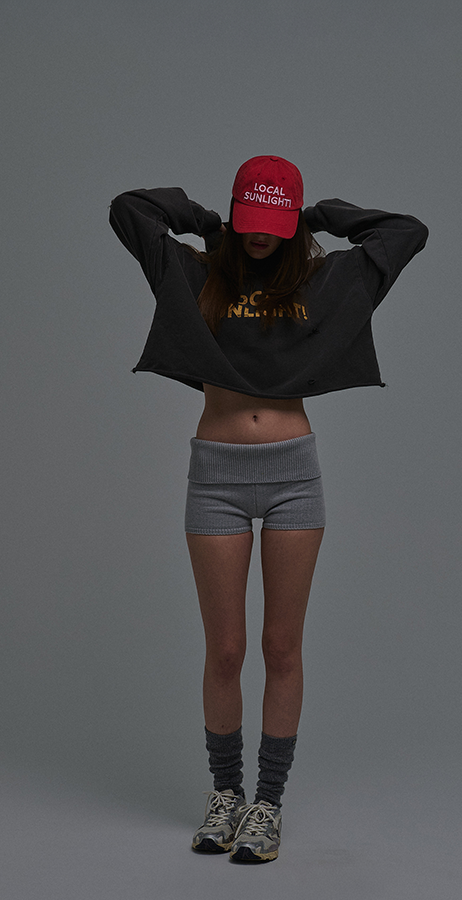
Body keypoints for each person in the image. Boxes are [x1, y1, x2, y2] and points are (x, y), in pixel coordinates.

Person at [109, 155, 427, 863]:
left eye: (272, 225)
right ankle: (226, 793)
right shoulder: (195, 273)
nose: (259, 237)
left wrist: (317, 218)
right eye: (250, 222)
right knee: (225, 650)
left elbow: (407, 232)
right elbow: (129, 210)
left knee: (282, 647)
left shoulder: (322, 281)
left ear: (289, 225)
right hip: (215, 475)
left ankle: (268, 804)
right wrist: (207, 221)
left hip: (292, 475)